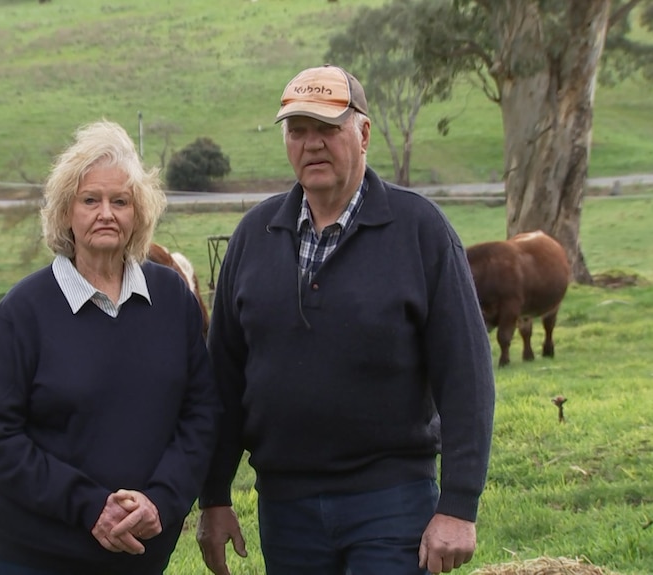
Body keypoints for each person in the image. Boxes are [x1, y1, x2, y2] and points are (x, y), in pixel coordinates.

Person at [195, 65, 496, 575]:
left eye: (328, 128)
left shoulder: (420, 231)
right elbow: (223, 378)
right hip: (286, 507)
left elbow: (465, 375)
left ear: (364, 133)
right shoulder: (253, 236)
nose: (312, 144)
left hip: (391, 499)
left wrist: (458, 506)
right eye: (298, 130)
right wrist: (214, 496)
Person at [0, 119, 220, 575]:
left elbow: (200, 415)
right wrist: (89, 505)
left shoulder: (172, 299)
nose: (106, 213)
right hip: (39, 554)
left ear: (137, 214)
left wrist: (161, 500)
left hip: (141, 549)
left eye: (120, 201)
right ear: (66, 213)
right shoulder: (23, 312)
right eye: (90, 200)